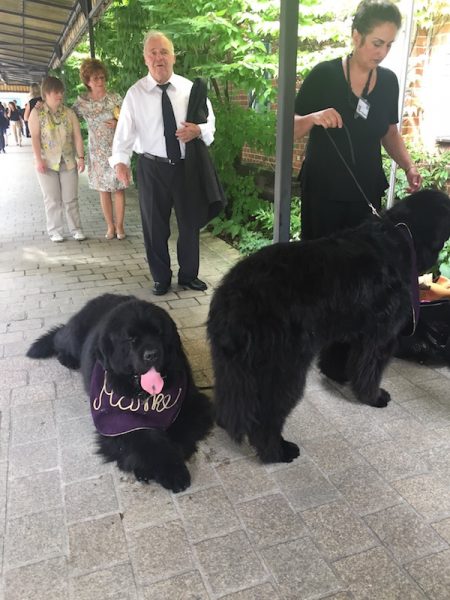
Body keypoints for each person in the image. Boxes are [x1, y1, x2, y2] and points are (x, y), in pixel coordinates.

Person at [294, 0, 422, 240]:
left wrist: (409, 166)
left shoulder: (388, 82)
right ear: (356, 36)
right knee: (321, 265)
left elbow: (390, 133)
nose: (382, 52)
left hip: (366, 190)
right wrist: (313, 118)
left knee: (362, 267)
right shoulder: (324, 74)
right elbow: (288, 129)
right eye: (377, 43)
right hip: (323, 191)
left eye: (389, 45)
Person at [110, 30, 215, 295]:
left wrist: (198, 131)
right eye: (153, 53)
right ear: (146, 59)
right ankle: (161, 278)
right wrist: (120, 162)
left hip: (185, 167)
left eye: (164, 52)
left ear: (173, 57)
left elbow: (209, 122)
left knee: (189, 224)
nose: (159, 58)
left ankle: (189, 275)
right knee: (155, 227)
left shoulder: (190, 89)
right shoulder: (135, 94)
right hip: (152, 167)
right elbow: (124, 133)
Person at [73, 59, 128, 240]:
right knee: (103, 190)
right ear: (87, 81)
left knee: (119, 188)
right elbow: (67, 117)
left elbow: (130, 119)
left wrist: (118, 122)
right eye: (96, 78)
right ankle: (110, 227)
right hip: (96, 152)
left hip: (116, 150)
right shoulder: (82, 103)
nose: (100, 81)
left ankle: (120, 226)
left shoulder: (115, 98)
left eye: (102, 77)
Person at [28, 77, 86, 243]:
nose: (59, 95)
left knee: (70, 198)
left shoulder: (69, 113)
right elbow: (35, 138)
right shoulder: (37, 113)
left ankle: (76, 229)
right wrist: (38, 159)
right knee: (52, 199)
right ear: (46, 93)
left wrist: (81, 157)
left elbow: (77, 136)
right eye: (55, 92)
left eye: (61, 91)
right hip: (46, 162)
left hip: (67, 161)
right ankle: (55, 231)